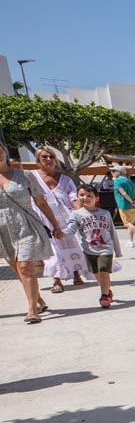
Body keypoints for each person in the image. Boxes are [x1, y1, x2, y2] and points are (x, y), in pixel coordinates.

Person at [0, 137, 64, 323]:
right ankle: (39, 300)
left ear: (5, 152)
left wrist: (55, 225)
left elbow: (41, 202)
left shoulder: (25, 176)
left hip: (25, 225)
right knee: (17, 268)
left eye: (0, 149)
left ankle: (32, 310)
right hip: (3, 230)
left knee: (25, 266)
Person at [32, 147, 92, 292]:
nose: (48, 159)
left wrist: (81, 215)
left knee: (74, 244)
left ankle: (77, 273)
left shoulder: (65, 179)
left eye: (51, 156)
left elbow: (74, 198)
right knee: (53, 249)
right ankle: (57, 280)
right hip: (44, 219)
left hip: (66, 217)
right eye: (44, 157)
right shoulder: (32, 177)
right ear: (38, 160)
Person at [63, 184, 122, 308]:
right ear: (77, 197)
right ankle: (107, 290)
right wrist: (61, 233)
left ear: (97, 198)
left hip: (106, 248)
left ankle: (104, 296)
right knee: (96, 273)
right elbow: (71, 229)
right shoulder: (76, 214)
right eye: (82, 195)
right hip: (89, 249)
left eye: (89, 195)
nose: (85, 197)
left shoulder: (105, 213)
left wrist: (117, 250)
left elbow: (112, 231)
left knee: (104, 272)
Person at [111, 165, 135, 248]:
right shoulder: (129, 181)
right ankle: (130, 241)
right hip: (133, 206)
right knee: (131, 224)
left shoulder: (117, 181)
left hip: (124, 205)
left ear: (118, 172)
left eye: (113, 171)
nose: (112, 173)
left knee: (127, 223)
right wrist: (134, 201)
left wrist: (131, 201)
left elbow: (123, 193)